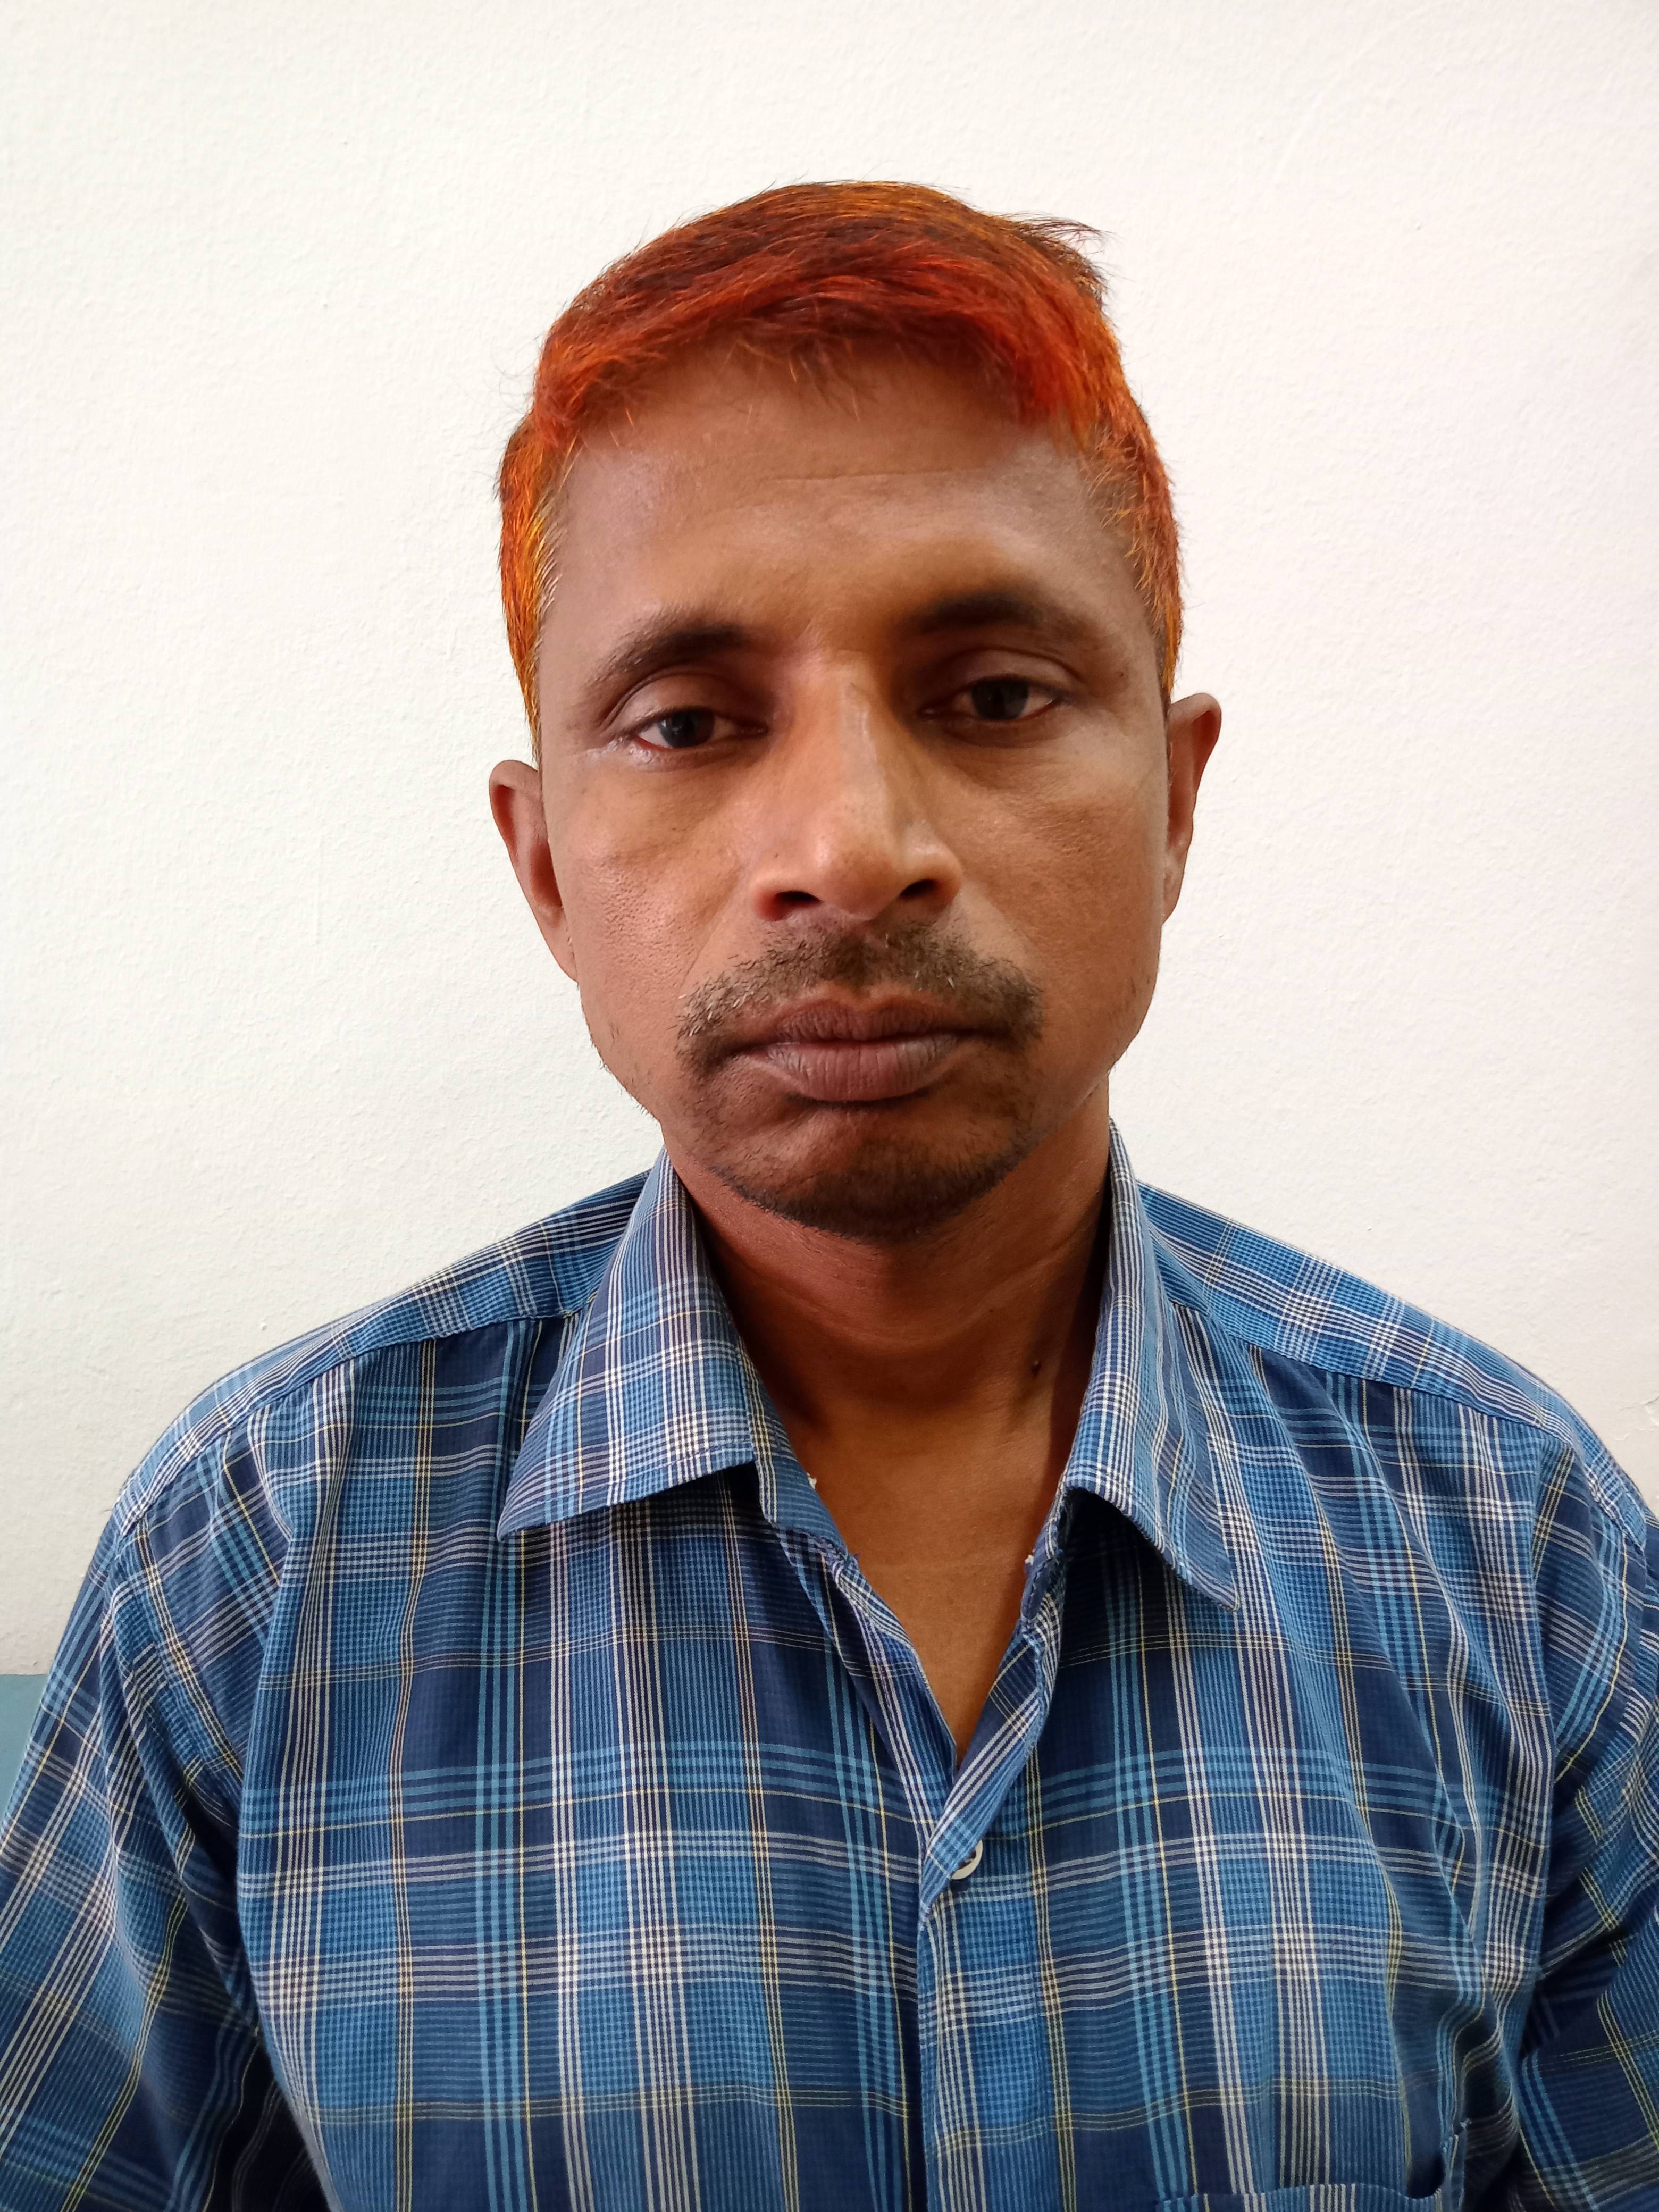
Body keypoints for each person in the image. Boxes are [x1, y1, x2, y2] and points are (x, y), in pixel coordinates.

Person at [0, 181, 1653, 2212]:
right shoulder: (254, 1563)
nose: (852, 848)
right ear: (545, 868)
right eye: (690, 723)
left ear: (1175, 803)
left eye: (994, 695)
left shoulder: (1517, 1546)